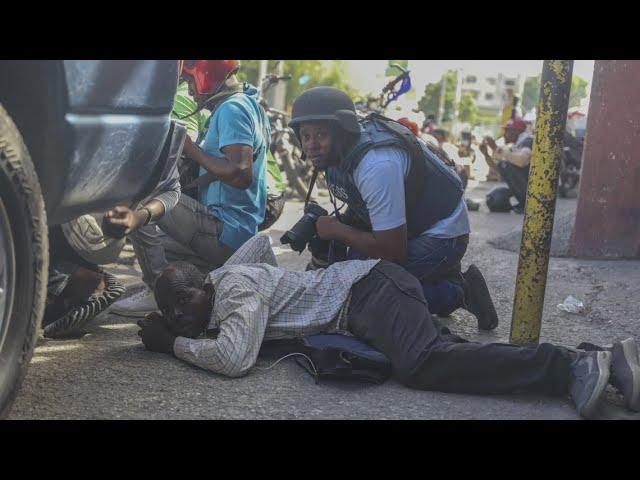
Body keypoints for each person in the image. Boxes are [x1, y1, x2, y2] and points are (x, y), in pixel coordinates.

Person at [136, 234, 640, 420]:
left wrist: (173, 343)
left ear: (205, 285)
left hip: (369, 291)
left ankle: (569, 366)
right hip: (368, 297)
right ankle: (604, 360)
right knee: (444, 356)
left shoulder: (235, 290)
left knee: (422, 364)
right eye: (172, 309)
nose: (181, 313)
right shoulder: (226, 276)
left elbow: (234, 359)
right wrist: (168, 316)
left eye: (184, 301)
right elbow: (261, 245)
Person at [285, 87, 498, 329]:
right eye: (306, 136)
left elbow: (392, 249)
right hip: (412, 226)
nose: (312, 145)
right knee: (349, 268)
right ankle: (437, 278)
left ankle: (459, 290)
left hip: (442, 235)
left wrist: (337, 231)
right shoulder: (338, 154)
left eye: (321, 134)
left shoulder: (376, 165)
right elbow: (361, 207)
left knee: (363, 296)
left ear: (342, 131)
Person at [110, 60, 271, 317]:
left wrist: (190, 148)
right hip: (235, 233)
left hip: (224, 230)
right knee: (159, 246)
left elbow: (240, 173)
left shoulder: (233, 108)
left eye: (189, 80)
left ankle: (156, 290)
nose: (189, 88)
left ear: (206, 72)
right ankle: (173, 284)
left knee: (141, 196)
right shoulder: (248, 104)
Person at [480, 118, 533, 213]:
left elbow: (522, 161)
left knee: (506, 165)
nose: (504, 134)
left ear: (517, 131)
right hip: (527, 184)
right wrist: (486, 155)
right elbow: (498, 170)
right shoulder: (516, 146)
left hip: (533, 188)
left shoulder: (528, 141)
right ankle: (522, 202)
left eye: (507, 131)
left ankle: (527, 203)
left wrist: (496, 148)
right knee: (495, 199)